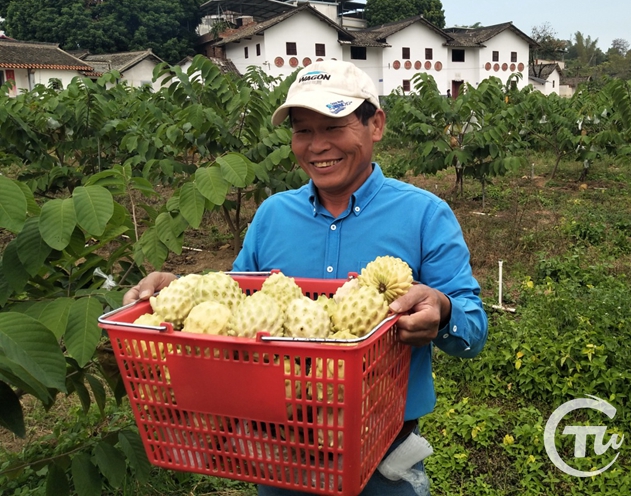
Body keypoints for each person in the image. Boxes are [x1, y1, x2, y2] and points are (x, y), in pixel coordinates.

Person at [123, 60, 488, 495]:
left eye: (333, 126)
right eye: (303, 131)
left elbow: (474, 329)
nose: (317, 146)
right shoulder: (273, 215)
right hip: (277, 453)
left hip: (383, 453)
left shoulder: (425, 214)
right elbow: (234, 308)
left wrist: (443, 311)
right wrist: (178, 293)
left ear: (376, 125)